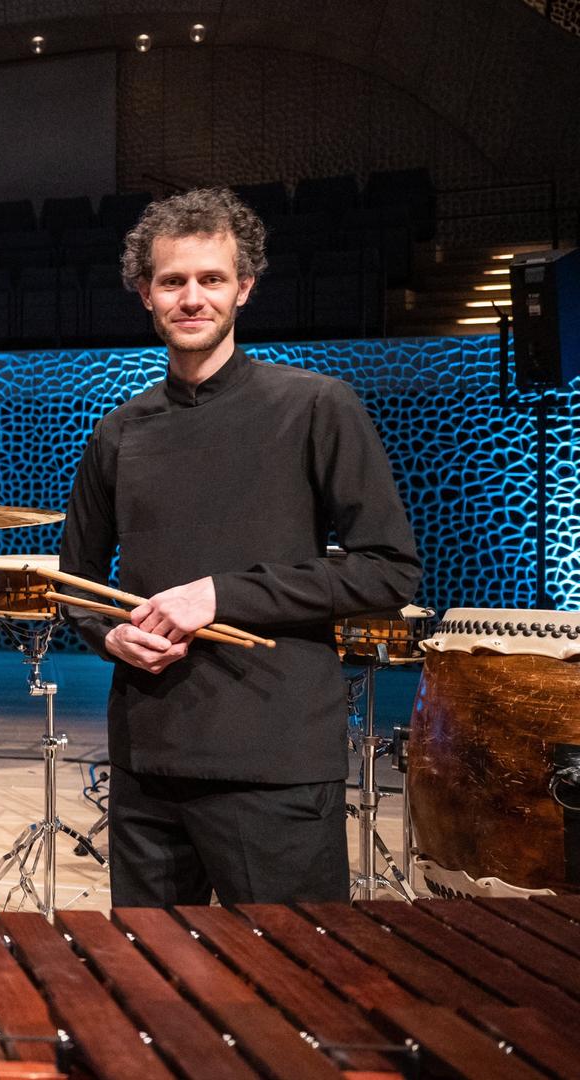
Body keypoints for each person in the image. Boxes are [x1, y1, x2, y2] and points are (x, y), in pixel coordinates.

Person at [59, 188, 421, 906]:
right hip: (147, 763)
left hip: (274, 765)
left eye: (211, 279)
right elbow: (77, 582)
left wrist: (221, 595)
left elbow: (389, 569)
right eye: (172, 281)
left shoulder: (318, 406)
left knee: (290, 993)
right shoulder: (119, 432)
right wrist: (111, 638)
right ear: (146, 295)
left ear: (244, 288)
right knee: (154, 993)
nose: (192, 297)